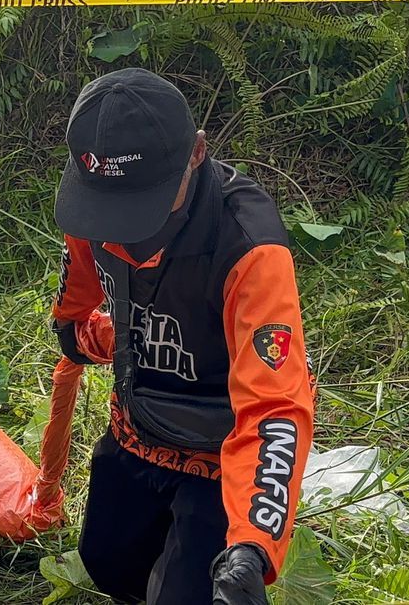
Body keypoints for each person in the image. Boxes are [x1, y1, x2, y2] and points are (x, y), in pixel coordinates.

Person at [49, 68, 316, 605]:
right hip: (139, 426)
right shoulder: (92, 208)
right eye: (108, 208)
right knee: (108, 567)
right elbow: (78, 305)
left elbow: (275, 407)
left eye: (142, 203)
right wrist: (81, 333)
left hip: (220, 453)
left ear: (196, 153)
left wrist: (252, 545)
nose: (123, 231)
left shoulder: (248, 247)